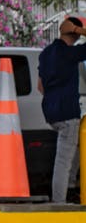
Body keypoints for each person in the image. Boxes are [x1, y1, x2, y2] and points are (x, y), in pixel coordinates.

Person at [38, 15, 86, 204]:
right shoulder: (70, 53)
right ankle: (59, 203)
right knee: (63, 161)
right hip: (67, 111)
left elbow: (40, 86)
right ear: (74, 32)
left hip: (51, 112)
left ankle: (72, 188)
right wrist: (77, 30)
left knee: (76, 147)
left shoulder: (46, 53)